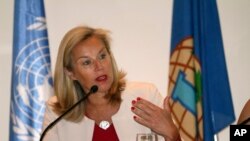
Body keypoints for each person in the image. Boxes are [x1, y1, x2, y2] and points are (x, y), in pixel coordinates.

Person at [42, 26, 181, 141]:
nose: (99, 66)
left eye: (102, 56)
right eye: (87, 62)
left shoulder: (145, 95)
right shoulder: (57, 113)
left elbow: (172, 136)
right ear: (70, 72)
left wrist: (173, 136)